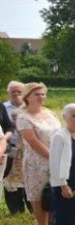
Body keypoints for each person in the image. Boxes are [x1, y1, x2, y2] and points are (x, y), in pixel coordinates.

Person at [16, 82, 62, 225]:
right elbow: (34, 142)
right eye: (37, 94)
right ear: (28, 97)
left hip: (55, 161)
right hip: (36, 164)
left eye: (43, 94)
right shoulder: (23, 118)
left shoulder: (50, 113)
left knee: (53, 198)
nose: (41, 97)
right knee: (38, 198)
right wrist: (53, 158)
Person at [3, 81, 30, 214]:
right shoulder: (3, 107)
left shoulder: (31, 107)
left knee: (28, 176)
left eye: (19, 91)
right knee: (9, 177)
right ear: (8, 92)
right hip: (10, 147)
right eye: (13, 91)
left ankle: (32, 207)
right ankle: (15, 209)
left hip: (29, 148)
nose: (16, 93)